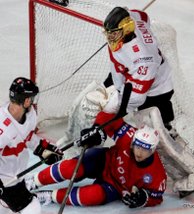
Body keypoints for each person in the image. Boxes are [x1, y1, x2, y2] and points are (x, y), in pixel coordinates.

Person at [26, 111, 167, 208]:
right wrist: (98, 130)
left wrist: (142, 199)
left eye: (145, 149)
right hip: (103, 161)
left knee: (91, 196)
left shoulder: (157, 174)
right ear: (133, 141)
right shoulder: (128, 136)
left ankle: (50, 196)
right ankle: (34, 181)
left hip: (115, 187)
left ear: (153, 150)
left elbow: (156, 197)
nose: (140, 153)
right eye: (137, 146)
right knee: (70, 168)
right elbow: (110, 116)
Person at [87, 7, 175, 130]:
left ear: (127, 29)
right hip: (129, 72)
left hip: (156, 88)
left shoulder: (143, 60)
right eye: (108, 32)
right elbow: (143, 16)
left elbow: (136, 99)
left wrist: (113, 112)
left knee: (152, 128)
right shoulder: (133, 19)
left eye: (114, 33)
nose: (110, 37)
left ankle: (169, 133)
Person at [0, 77, 63, 214]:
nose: (33, 100)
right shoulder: (2, 128)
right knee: (33, 209)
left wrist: (42, 149)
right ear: (26, 100)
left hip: (16, 178)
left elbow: (27, 137)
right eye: (32, 97)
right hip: (5, 181)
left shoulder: (29, 115)